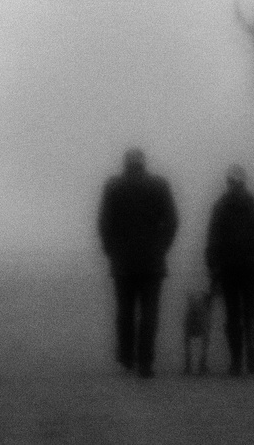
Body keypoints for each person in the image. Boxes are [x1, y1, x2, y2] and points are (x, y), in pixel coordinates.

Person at [98, 148, 178, 378]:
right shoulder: (159, 185)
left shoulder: (114, 186)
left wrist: (110, 250)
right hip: (152, 261)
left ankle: (126, 356)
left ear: (125, 163)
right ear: (144, 164)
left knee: (125, 311)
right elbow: (172, 220)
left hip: (123, 261)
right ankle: (145, 361)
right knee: (149, 313)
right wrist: (163, 247)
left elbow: (104, 222)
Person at [205, 164, 254, 375]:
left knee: (233, 314)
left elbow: (213, 240)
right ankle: (251, 347)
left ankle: (236, 361)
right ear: (244, 182)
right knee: (251, 312)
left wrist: (212, 268)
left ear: (228, 182)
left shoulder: (220, 206)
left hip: (228, 269)